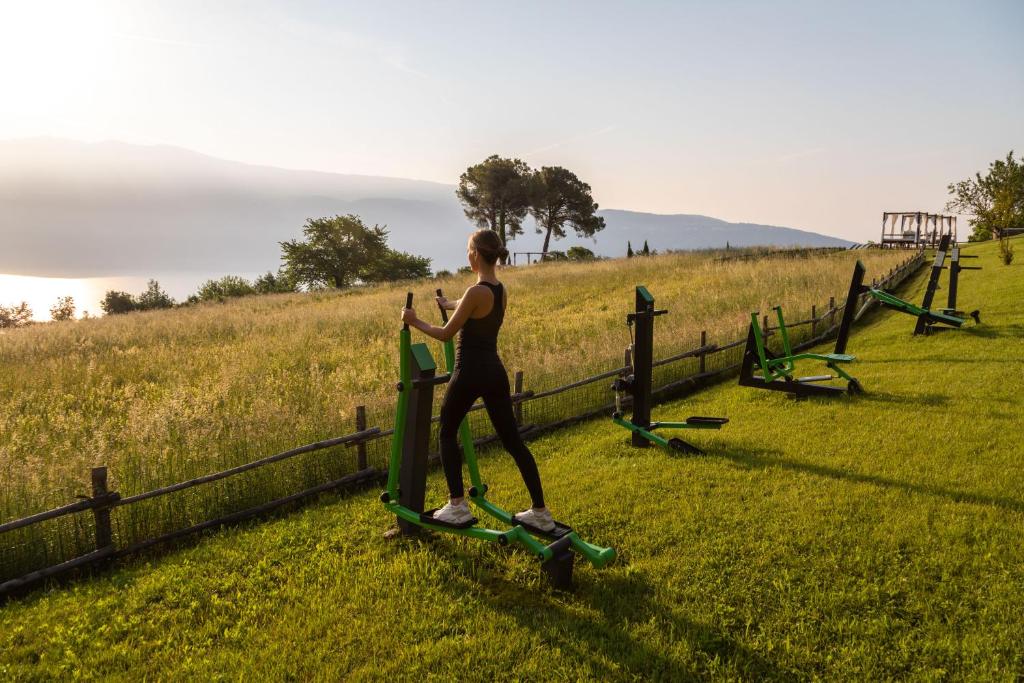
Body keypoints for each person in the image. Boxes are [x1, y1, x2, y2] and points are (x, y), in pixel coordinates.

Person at [400, 229, 554, 531]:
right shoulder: (498, 290)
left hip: (469, 372)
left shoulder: (474, 293)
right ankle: (540, 512)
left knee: (446, 432)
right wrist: (449, 304)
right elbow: (471, 304)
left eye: (468, 251)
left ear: (474, 255)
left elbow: (446, 334)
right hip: (494, 372)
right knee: (513, 442)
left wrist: (413, 320)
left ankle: (457, 505)